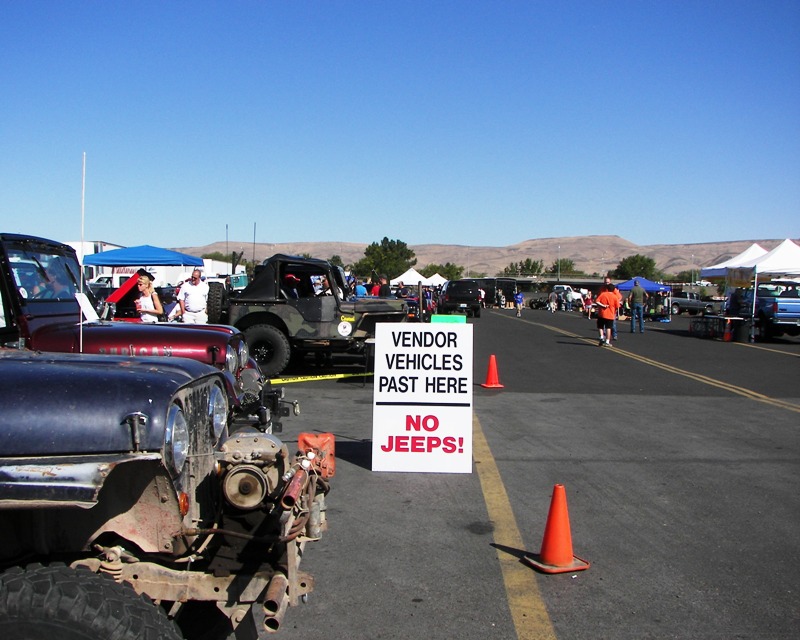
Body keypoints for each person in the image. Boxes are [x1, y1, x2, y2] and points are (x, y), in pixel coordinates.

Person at [603, 275, 622, 340]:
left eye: (608, 282)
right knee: (604, 324)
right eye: (605, 282)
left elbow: (619, 297)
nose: (606, 284)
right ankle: (605, 336)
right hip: (604, 309)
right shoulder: (602, 289)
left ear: (610, 282)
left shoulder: (613, 289)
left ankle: (614, 335)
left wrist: (614, 303)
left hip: (612, 309)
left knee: (612, 323)